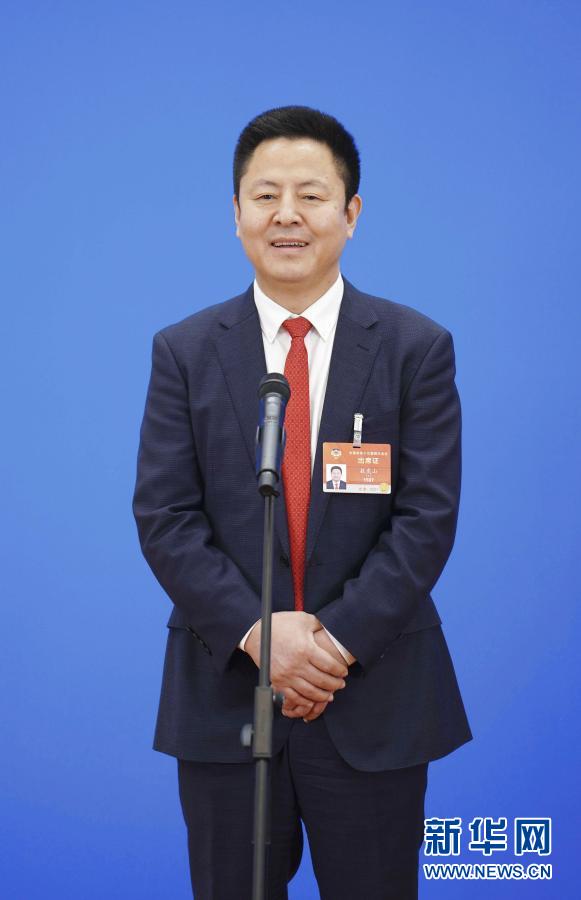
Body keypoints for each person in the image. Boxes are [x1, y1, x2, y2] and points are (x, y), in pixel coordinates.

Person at [132, 105, 472, 900]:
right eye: (265, 196)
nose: (287, 214)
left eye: (311, 196)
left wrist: (331, 645)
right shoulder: (184, 351)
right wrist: (260, 635)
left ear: (350, 213)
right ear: (236, 214)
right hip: (227, 698)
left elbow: (425, 519)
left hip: (372, 695)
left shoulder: (413, 348)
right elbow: (165, 517)